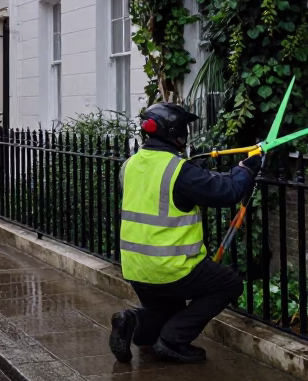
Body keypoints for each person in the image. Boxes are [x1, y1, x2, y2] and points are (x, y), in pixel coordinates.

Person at [109, 102, 263, 365]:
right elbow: (226, 191)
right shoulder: (178, 170)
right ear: (177, 133)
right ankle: (172, 341)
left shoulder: (130, 165)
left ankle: (132, 321)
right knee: (229, 284)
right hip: (173, 268)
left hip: (136, 267)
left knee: (167, 311)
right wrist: (247, 168)